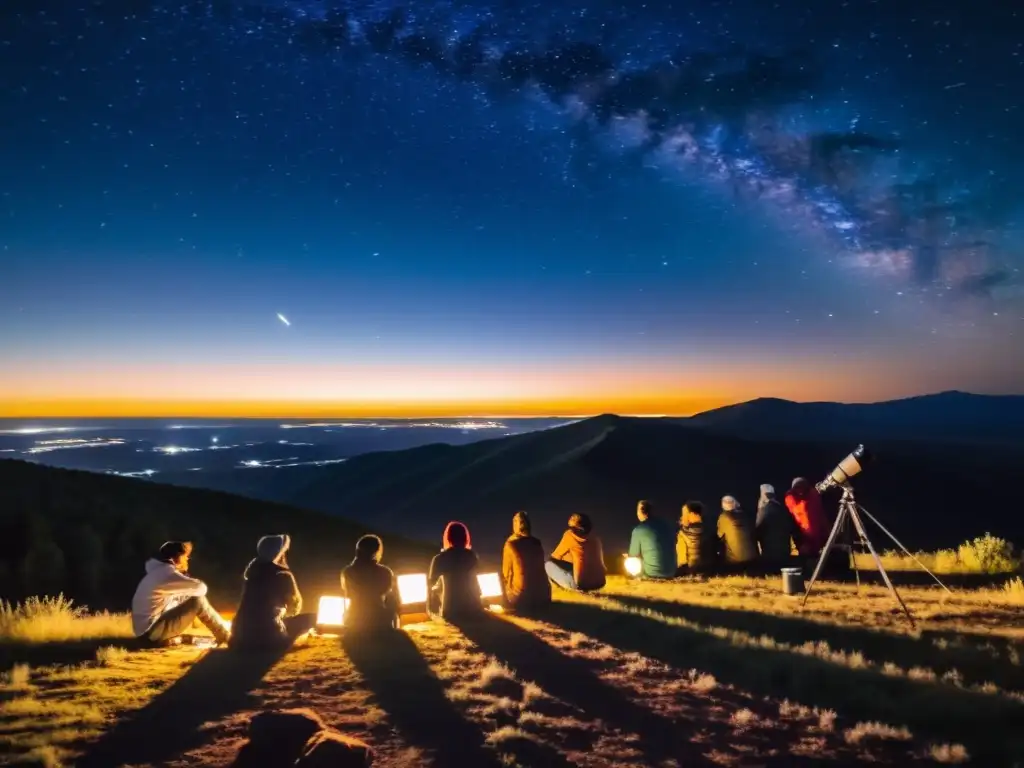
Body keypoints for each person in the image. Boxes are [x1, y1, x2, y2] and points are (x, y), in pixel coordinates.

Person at [131, 541, 231, 646]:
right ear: (177, 558)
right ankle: (225, 636)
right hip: (151, 634)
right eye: (185, 557)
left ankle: (169, 640)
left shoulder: (157, 573)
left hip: (146, 634)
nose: (187, 560)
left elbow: (176, 601)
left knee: (188, 599)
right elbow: (201, 588)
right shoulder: (167, 574)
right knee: (197, 600)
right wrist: (188, 580)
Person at [230, 534, 316, 650]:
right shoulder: (283, 575)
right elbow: (295, 607)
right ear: (278, 553)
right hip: (269, 639)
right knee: (312, 618)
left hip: (239, 637)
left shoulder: (252, 573)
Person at [341, 534, 400, 631]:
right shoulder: (385, 572)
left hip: (354, 620)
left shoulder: (347, 572)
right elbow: (391, 598)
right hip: (379, 620)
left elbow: (347, 594)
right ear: (377, 551)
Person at [428, 522, 482, 619]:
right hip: (474, 609)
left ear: (448, 538)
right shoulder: (472, 556)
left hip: (451, 611)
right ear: (466, 538)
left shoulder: (440, 558)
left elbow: (430, 585)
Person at [501, 511, 551, 614]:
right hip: (544, 596)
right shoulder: (537, 542)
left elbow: (506, 573)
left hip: (522, 599)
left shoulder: (510, 544)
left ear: (515, 525)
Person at [546, 513, 606, 592]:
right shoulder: (595, 539)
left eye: (573, 518)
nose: (570, 518)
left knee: (548, 565)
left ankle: (565, 589)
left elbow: (555, 556)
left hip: (581, 585)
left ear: (578, 525)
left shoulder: (570, 535)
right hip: (600, 583)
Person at [628, 500, 677, 579]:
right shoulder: (667, 525)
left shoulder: (638, 529)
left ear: (640, 511)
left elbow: (633, 555)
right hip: (671, 572)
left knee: (629, 561)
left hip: (651, 573)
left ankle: (637, 577)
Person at [785, 477, 830, 557]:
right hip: (804, 540)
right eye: (797, 488)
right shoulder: (791, 501)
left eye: (802, 487)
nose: (800, 491)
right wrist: (800, 543)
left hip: (818, 539)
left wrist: (825, 537)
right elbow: (792, 523)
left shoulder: (814, 497)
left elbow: (821, 518)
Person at [756, 484, 796, 568]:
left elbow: (758, 530)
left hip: (770, 556)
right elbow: (791, 527)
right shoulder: (782, 509)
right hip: (785, 553)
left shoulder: (764, 510)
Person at [717, 496, 758, 572]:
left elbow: (719, 535)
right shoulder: (745, 516)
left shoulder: (724, 517)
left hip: (735, 560)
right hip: (752, 556)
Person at [676, 501, 717, 575]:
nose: (682, 517)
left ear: (693, 514)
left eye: (684, 513)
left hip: (691, 569)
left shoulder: (683, 534)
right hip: (709, 568)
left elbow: (682, 559)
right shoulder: (709, 531)